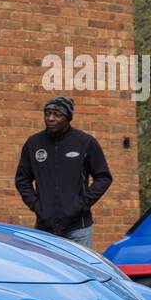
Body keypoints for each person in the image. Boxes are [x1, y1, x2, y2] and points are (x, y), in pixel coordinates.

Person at [14, 95, 112, 248]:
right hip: (44, 228)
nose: (50, 118)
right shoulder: (33, 143)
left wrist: (82, 203)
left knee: (79, 270)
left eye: (57, 114)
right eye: (47, 113)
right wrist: (36, 205)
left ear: (68, 117)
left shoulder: (85, 142)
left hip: (78, 228)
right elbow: (22, 180)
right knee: (47, 270)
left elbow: (103, 177)